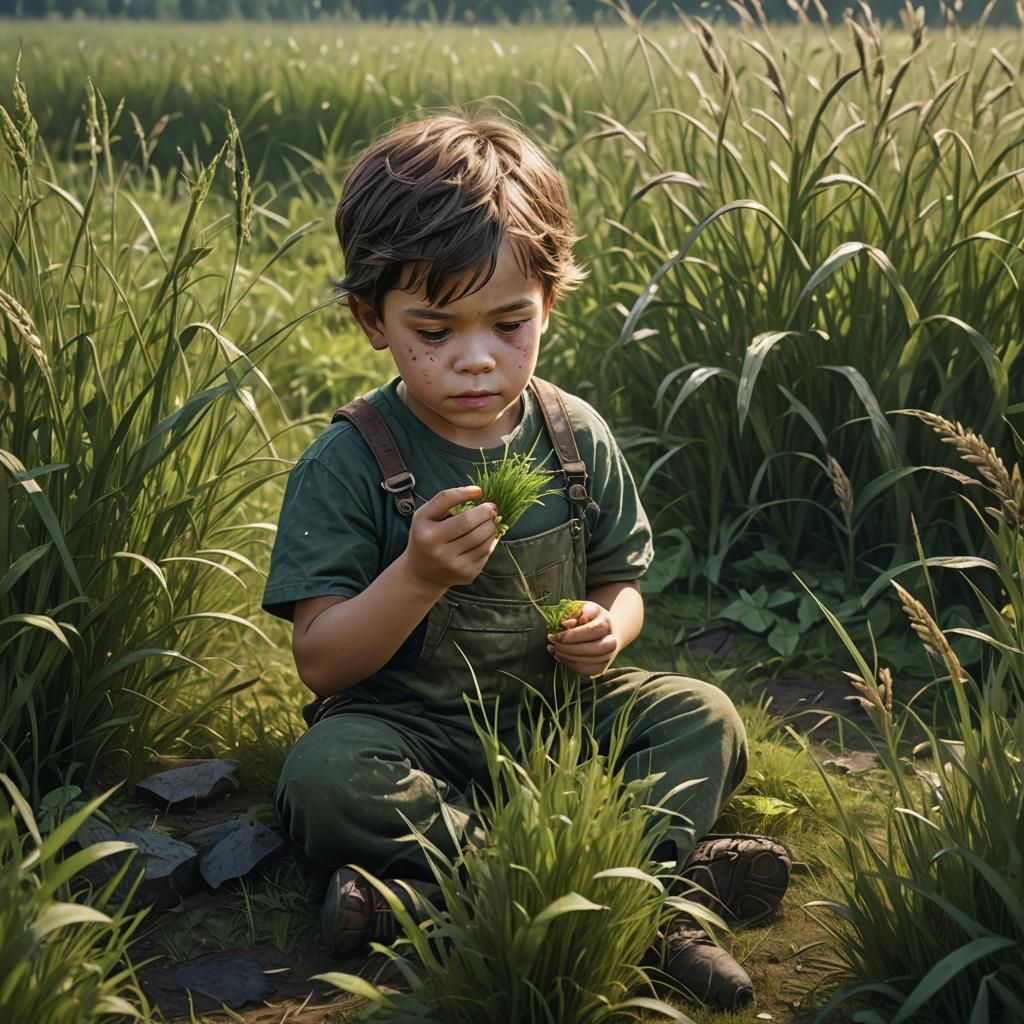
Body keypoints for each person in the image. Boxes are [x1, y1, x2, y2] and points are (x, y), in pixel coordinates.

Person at [261, 113, 790, 1011]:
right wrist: (418, 576)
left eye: (509, 323)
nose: (475, 359)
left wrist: (607, 631)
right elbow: (323, 658)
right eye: (434, 330)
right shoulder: (350, 462)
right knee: (323, 776)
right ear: (371, 320)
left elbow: (620, 581)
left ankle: (457, 895)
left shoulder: (570, 434)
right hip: (409, 730)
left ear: (549, 302)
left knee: (704, 714)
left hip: (560, 715)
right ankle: (633, 895)